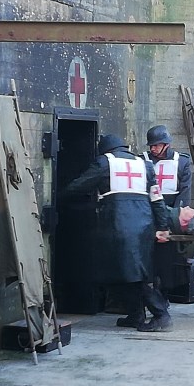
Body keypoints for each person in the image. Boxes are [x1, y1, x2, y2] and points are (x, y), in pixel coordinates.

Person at [61, 134, 173, 332]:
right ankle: (136, 315)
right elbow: (157, 199)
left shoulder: (105, 162)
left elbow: (79, 185)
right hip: (144, 227)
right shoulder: (144, 165)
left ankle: (161, 315)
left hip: (119, 226)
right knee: (132, 271)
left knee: (135, 274)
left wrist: (59, 194)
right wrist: (163, 226)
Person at [142, 125, 192, 208]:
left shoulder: (182, 161)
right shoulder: (143, 160)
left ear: (166, 145)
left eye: (156, 145)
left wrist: (177, 214)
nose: (152, 149)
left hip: (172, 207)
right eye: (151, 146)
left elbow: (185, 192)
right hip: (149, 208)